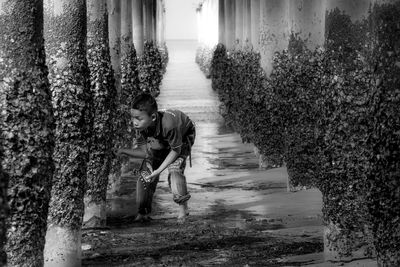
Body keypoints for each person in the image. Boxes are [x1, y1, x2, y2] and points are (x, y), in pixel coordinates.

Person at [116, 93, 195, 223]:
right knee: (145, 173)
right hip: (161, 139)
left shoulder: (169, 125)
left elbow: (176, 150)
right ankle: (143, 212)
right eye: (133, 118)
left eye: (138, 118)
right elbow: (145, 153)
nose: (134, 122)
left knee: (175, 170)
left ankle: (183, 208)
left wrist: (158, 171)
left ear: (152, 117)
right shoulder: (141, 127)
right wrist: (124, 151)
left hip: (183, 137)